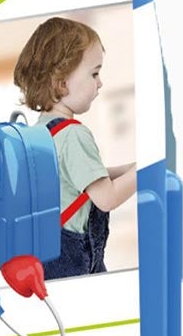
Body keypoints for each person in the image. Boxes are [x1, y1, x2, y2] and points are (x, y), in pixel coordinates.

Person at [12, 16, 137, 277]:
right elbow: (106, 198)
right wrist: (145, 172)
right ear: (62, 83)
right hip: (73, 260)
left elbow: (77, 178)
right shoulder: (73, 135)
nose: (100, 82)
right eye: (94, 73)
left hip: (47, 257)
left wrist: (129, 168)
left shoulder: (40, 131)